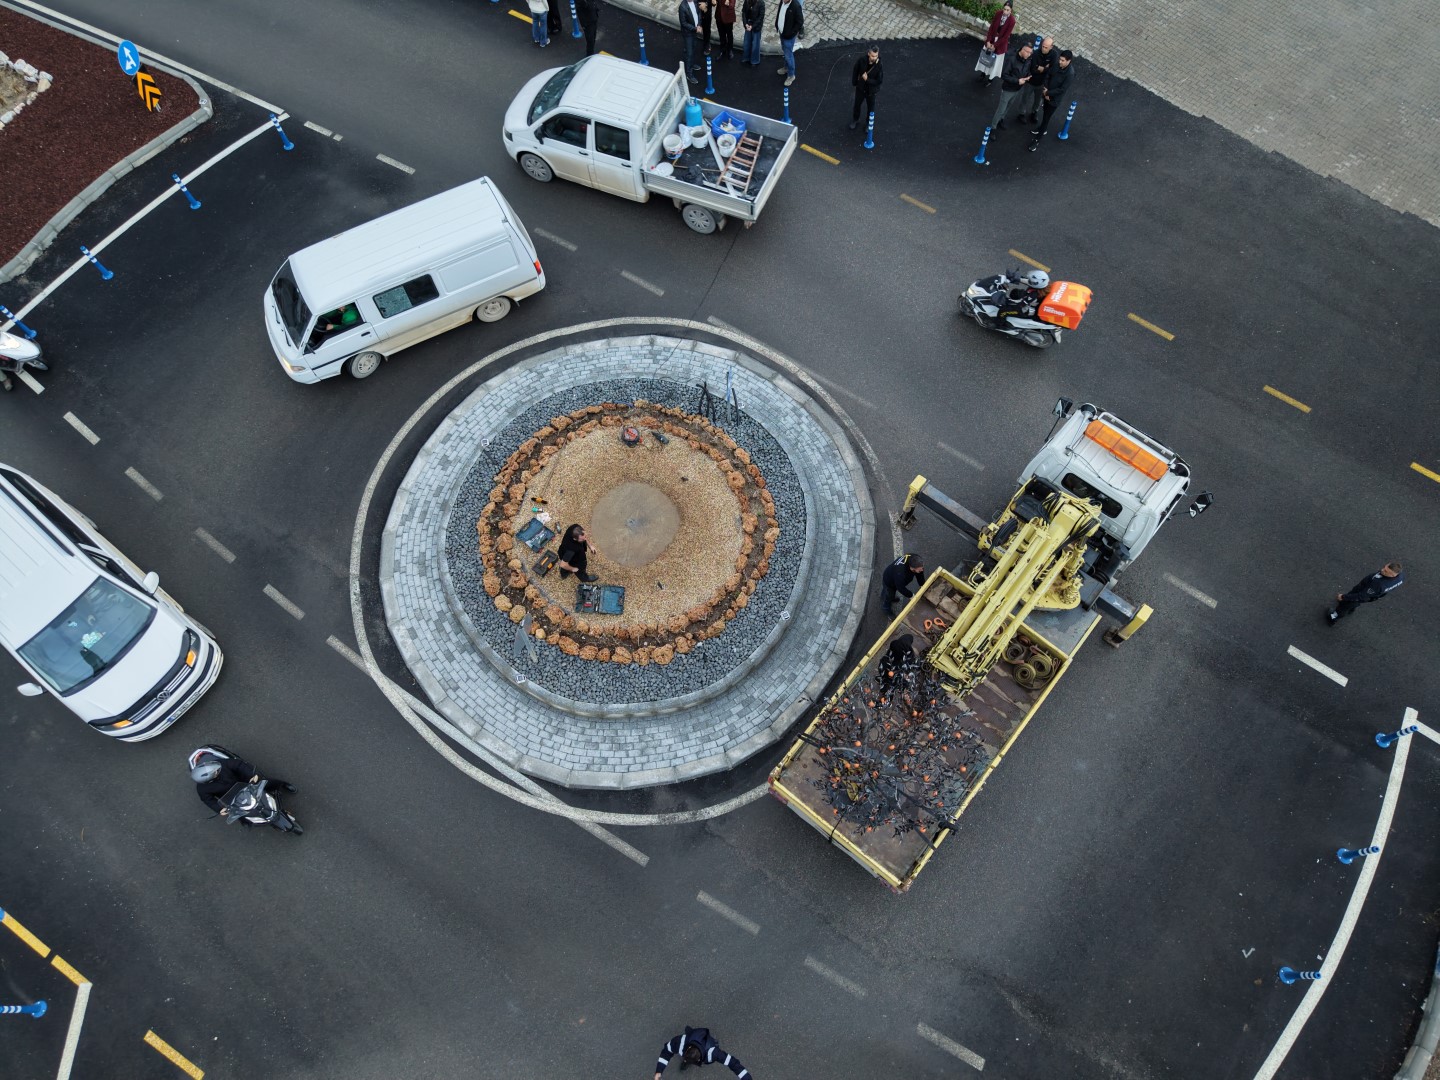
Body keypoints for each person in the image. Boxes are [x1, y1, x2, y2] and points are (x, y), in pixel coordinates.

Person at [191, 746, 296, 823]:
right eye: (215, 773)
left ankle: (282, 785)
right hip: (233, 798)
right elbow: (207, 799)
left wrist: (252, 775)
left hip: (246, 782)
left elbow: (239, 765)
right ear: (209, 780)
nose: (218, 770)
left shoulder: (220, 764)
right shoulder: (202, 789)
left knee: (267, 783)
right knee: (243, 817)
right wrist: (219, 809)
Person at [654, 1026, 752, 1078]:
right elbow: (666, 1051)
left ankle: (686, 1063)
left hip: (704, 1041)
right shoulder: (679, 1042)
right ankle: (686, 1063)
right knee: (686, 1061)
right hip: (695, 1039)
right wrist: (659, 1071)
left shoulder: (714, 1053)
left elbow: (732, 1063)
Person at [1328, 562, 1404, 623]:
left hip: (1363, 592)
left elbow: (1361, 596)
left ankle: (1333, 617)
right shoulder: (1400, 577)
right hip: (1371, 594)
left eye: (1386, 571)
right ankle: (1352, 608)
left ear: (1393, 575)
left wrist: (1343, 597)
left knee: (1345, 606)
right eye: (1384, 567)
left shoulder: (1379, 585)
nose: (1382, 570)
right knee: (1354, 603)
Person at [1029, 49, 1074, 149]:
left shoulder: (1070, 74)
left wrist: (1048, 93)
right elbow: (1048, 75)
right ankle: (1042, 129)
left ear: (1068, 61)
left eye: (1062, 60)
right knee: (1045, 113)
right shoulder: (1057, 65)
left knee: (1046, 118)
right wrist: (1046, 90)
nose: (1060, 62)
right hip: (1046, 94)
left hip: (1054, 100)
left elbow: (1062, 89)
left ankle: (1037, 140)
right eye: (1060, 59)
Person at [990, 40, 1033, 132]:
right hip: (1008, 89)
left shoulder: (1027, 60)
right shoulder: (1011, 59)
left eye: (1030, 52)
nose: (1029, 54)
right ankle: (993, 127)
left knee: (1008, 106)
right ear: (1022, 49)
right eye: (1027, 52)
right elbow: (1004, 75)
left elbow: (1027, 69)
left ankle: (1001, 120)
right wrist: (1018, 81)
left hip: (1017, 89)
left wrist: (1028, 76)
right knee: (1001, 109)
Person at [1019, 36, 1056, 124]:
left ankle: (1034, 112)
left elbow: (1052, 69)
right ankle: (1021, 113)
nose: (1043, 48)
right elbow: (1033, 69)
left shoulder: (1054, 55)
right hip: (1031, 81)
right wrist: (1045, 68)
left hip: (1042, 83)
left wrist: (1041, 68)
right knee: (1025, 98)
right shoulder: (1035, 53)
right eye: (1043, 46)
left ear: (1051, 47)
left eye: (1046, 47)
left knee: (1038, 100)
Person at [976, 1, 1014, 83]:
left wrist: (995, 45)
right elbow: (991, 27)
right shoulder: (998, 13)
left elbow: (1006, 36)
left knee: (994, 63)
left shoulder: (1012, 21)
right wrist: (988, 41)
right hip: (992, 39)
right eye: (1004, 9)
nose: (1005, 12)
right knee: (986, 58)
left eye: (1008, 10)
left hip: (1000, 45)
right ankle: (983, 73)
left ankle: (990, 79)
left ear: (1011, 11)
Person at [849, 45, 883, 130]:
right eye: (872, 56)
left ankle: (868, 123)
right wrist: (855, 82)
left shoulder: (879, 65)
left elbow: (879, 81)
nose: (874, 58)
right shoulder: (862, 60)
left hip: (871, 91)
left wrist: (867, 79)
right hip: (861, 88)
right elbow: (855, 69)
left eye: (876, 56)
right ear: (868, 54)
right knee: (857, 105)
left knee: (871, 108)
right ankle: (855, 119)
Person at [774, 0, 802, 87]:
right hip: (782, 33)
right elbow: (779, 13)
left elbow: (800, 22)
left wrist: (791, 33)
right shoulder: (782, 2)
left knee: (789, 55)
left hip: (789, 36)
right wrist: (777, 25)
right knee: (785, 52)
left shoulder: (795, 6)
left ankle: (791, 75)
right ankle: (786, 68)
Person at [679, 0, 704, 83]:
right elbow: (683, 23)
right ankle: (689, 74)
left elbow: (699, 13)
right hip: (688, 33)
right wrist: (695, 28)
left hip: (695, 30)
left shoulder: (695, 2)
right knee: (689, 52)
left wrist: (699, 25)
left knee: (693, 48)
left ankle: (692, 64)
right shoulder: (682, 7)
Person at [740, 0, 764, 66]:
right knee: (746, 43)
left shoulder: (761, 3)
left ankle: (755, 60)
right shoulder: (747, 1)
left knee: (755, 45)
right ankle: (746, 58)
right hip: (748, 24)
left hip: (756, 27)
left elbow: (760, 17)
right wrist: (745, 24)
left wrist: (752, 26)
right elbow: (743, 12)